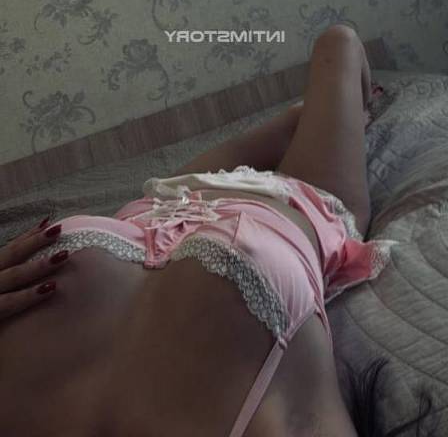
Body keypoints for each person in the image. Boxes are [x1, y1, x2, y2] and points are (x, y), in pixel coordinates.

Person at [0, 25, 437, 436]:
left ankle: (302, 124)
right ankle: (306, 123)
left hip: (164, 207)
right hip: (275, 202)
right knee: (337, 44)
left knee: (336, 51)